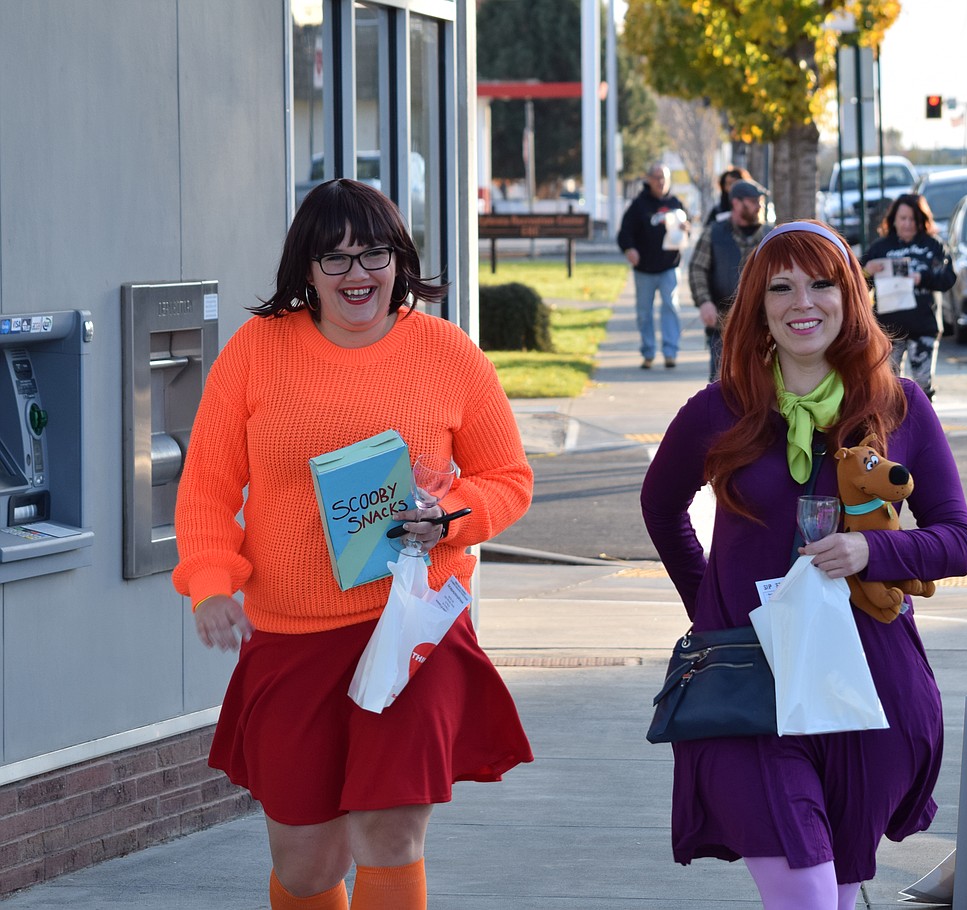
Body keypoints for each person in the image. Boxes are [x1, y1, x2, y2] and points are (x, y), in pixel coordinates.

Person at [172, 178, 535, 910]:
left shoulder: (448, 353)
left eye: (372, 254)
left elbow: (510, 479)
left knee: (389, 834)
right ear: (304, 271)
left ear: (399, 260)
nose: (356, 275)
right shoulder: (255, 353)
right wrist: (210, 583)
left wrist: (453, 515)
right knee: (308, 862)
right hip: (292, 636)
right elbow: (207, 487)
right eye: (333, 259)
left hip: (410, 626)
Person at [641, 220, 967, 910]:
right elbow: (661, 508)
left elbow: (956, 539)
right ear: (758, 306)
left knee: (838, 892)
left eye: (822, 284)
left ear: (850, 296)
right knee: (811, 901)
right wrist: (714, 609)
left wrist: (872, 551)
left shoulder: (900, 405)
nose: (804, 302)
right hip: (752, 688)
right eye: (782, 286)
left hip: (869, 689)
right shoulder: (718, 412)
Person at [860, 194, 956, 401]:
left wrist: (923, 278)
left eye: (912, 219)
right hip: (889, 329)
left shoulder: (933, 246)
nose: (907, 224)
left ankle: (924, 429)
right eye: (903, 218)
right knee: (888, 387)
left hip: (923, 326)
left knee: (922, 387)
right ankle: (893, 430)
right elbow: (855, 283)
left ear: (921, 221)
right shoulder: (880, 248)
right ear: (893, 219)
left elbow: (948, 279)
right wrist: (867, 270)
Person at [689, 178, 773, 381]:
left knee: (763, 384)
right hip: (723, 326)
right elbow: (697, 268)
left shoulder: (772, 236)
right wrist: (704, 301)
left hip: (764, 327)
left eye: (760, 201)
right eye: (753, 201)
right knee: (721, 384)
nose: (759, 206)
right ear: (736, 203)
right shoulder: (714, 233)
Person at [617, 162, 690, 369]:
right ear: (648, 180)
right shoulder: (639, 205)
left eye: (664, 178)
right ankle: (648, 352)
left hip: (669, 266)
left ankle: (670, 352)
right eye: (657, 177)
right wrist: (629, 249)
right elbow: (624, 233)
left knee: (670, 307)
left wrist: (687, 229)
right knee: (644, 312)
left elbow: (686, 230)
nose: (660, 182)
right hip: (645, 269)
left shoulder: (676, 203)